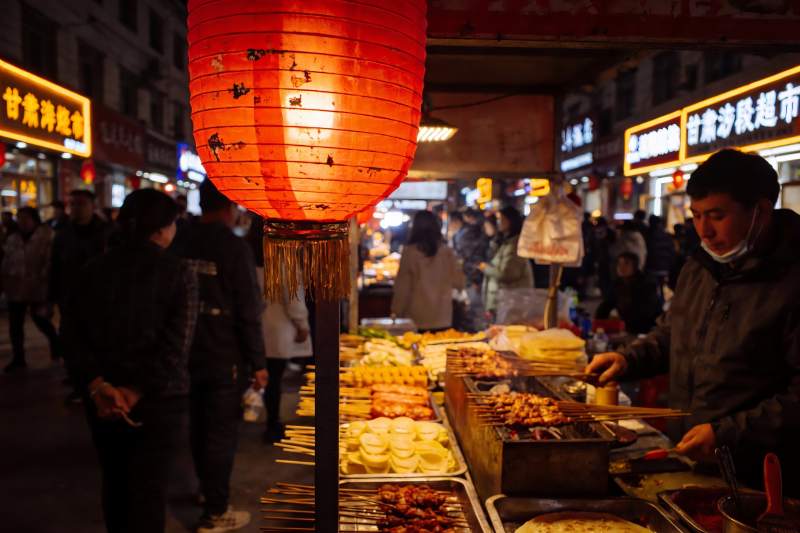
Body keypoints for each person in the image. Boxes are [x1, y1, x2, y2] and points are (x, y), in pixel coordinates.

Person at [587, 149, 800, 496]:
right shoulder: (699, 267)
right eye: (697, 216)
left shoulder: (791, 279)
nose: (704, 231)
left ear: (760, 211)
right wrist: (628, 359)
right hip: (691, 460)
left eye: (717, 216)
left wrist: (726, 434)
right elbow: (674, 333)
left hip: (761, 481)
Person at [63, 189, 197, 533]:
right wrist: (135, 390)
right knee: (148, 491)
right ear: (162, 229)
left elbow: (72, 335)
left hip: (105, 399)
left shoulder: (93, 268)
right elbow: (176, 346)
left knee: (115, 483)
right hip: (159, 400)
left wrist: (97, 385)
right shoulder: (178, 271)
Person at [179, 179, 267, 532]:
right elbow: (248, 308)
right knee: (220, 432)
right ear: (229, 207)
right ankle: (215, 512)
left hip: (184, 352)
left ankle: (207, 489)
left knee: (198, 426)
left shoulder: (180, 240)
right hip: (223, 354)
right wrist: (258, 362)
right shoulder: (233, 247)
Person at [246, 217, 312, 443]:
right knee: (273, 379)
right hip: (278, 327)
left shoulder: (246, 255)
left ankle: (253, 415)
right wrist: (302, 324)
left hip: (253, 327)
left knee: (258, 374)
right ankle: (272, 425)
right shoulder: (283, 257)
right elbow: (293, 297)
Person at [1, 207, 59, 371]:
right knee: (15, 325)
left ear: (34, 219)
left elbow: (49, 263)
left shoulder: (46, 236)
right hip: (15, 288)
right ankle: (18, 358)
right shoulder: (13, 238)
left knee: (41, 321)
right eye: (20, 218)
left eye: (26, 218)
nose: (22, 221)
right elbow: (6, 262)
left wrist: (48, 288)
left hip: (37, 288)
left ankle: (56, 345)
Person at [392, 210, 465, 331]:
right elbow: (459, 282)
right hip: (442, 316)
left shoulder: (409, 252)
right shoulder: (447, 252)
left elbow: (403, 286)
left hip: (416, 316)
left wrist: (396, 311)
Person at [479, 205, 533, 317]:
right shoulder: (504, 242)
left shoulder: (514, 245)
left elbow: (507, 274)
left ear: (511, 221)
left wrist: (485, 267)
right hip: (502, 303)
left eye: (502, 219)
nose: (498, 222)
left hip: (510, 304)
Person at [595, 252, 662, 335]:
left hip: (648, 328)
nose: (621, 267)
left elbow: (648, 311)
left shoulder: (646, 284)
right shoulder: (617, 284)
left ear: (635, 266)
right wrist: (598, 323)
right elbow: (606, 305)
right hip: (628, 328)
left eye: (626, 264)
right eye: (619, 264)